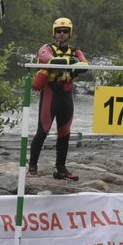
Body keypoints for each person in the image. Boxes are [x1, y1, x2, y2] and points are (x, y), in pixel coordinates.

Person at [27, 16, 88, 181]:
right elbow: (49, 60)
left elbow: (84, 66)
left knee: (65, 133)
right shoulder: (46, 48)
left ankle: (60, 168)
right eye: (59, 31)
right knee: (43, 130)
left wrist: (74, 61)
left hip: (67, 94)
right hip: (50, 93)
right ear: (54, 33)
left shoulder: (76, 50)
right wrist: (71, 62)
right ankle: (32, 166)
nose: (62, 34)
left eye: (65, 31)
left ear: (69, 33)